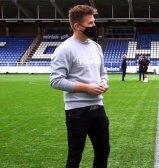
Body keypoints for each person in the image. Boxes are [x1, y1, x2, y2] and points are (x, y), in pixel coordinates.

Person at [50, 5, 110, 168]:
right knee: (75, 156)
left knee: (103, 152)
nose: (94, 26)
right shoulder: (64, 49)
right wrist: (86, 88)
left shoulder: (96, 46)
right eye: (90, 23)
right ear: (77, 26)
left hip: (98, 108)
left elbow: (103, 73)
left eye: (94, 22)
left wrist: (104, 82)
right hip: (76, 111)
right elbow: (55, 81)